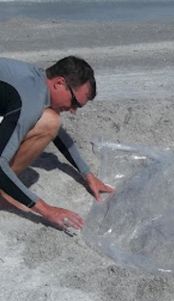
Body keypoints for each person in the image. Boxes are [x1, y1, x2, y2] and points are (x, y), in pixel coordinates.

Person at [0, 56, 114, 231]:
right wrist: (47, 210)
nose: (73, 110)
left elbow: (57, 133)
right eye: (74, 103)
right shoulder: (29, 99)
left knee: (50, 120)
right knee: (50, 121)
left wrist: (87, 174)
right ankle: (4, 193)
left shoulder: (36, 82)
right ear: (59, 83)